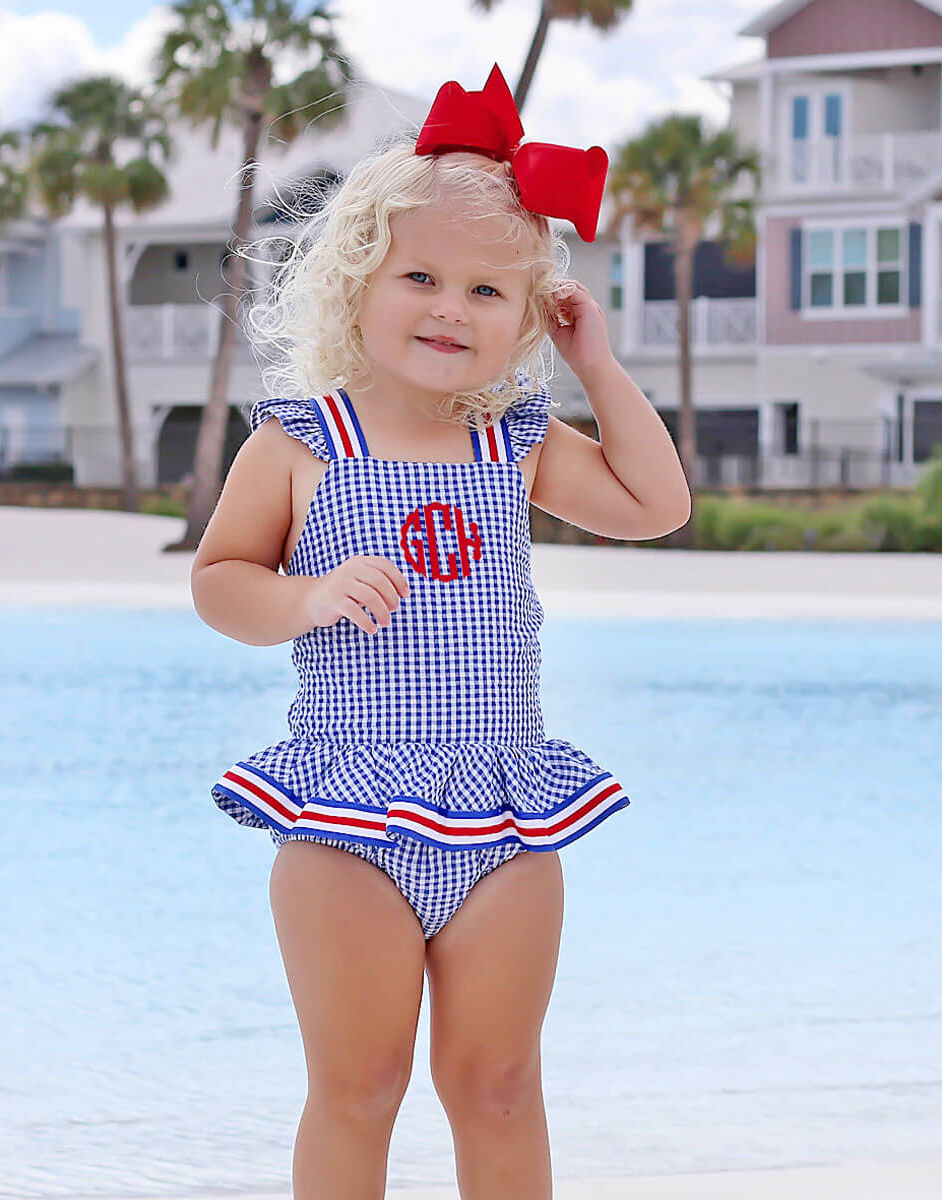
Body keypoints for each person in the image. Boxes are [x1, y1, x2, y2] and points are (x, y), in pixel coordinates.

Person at [191, 64, 691, 1200]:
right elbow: (222, 580)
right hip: (343, 814)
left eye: (485, 293)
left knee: (501, 1085)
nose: (449, 309)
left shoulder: (511, 442)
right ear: (358, 280)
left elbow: (656, 506)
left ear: (526, 319)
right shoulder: (302, 442)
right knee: (359, 1088)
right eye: (420, 275)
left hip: (507, 816)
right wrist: (302, 599)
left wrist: (597, 369)